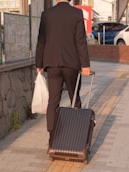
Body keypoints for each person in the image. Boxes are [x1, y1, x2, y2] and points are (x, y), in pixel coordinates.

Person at [35, 0, 91, 143]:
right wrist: (85, 65)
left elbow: (41, 40)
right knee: (74, 98)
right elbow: (81, 41)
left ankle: (52, 137)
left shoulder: (46, 14)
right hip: (71, 64)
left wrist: (39, 63)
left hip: (52, 64)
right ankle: (76, 135)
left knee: (53, 100)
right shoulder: (76, 13)